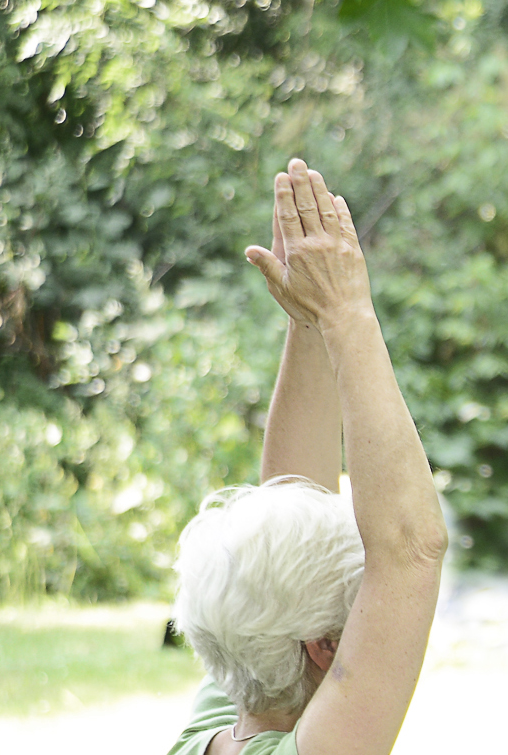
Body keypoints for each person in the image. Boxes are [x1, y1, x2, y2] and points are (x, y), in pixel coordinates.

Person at [170, 160, 448, 755]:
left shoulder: (217, 723)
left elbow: (292, 498)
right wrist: (348, 312)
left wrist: (311, 316)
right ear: (324, 645)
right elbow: (408, 548)